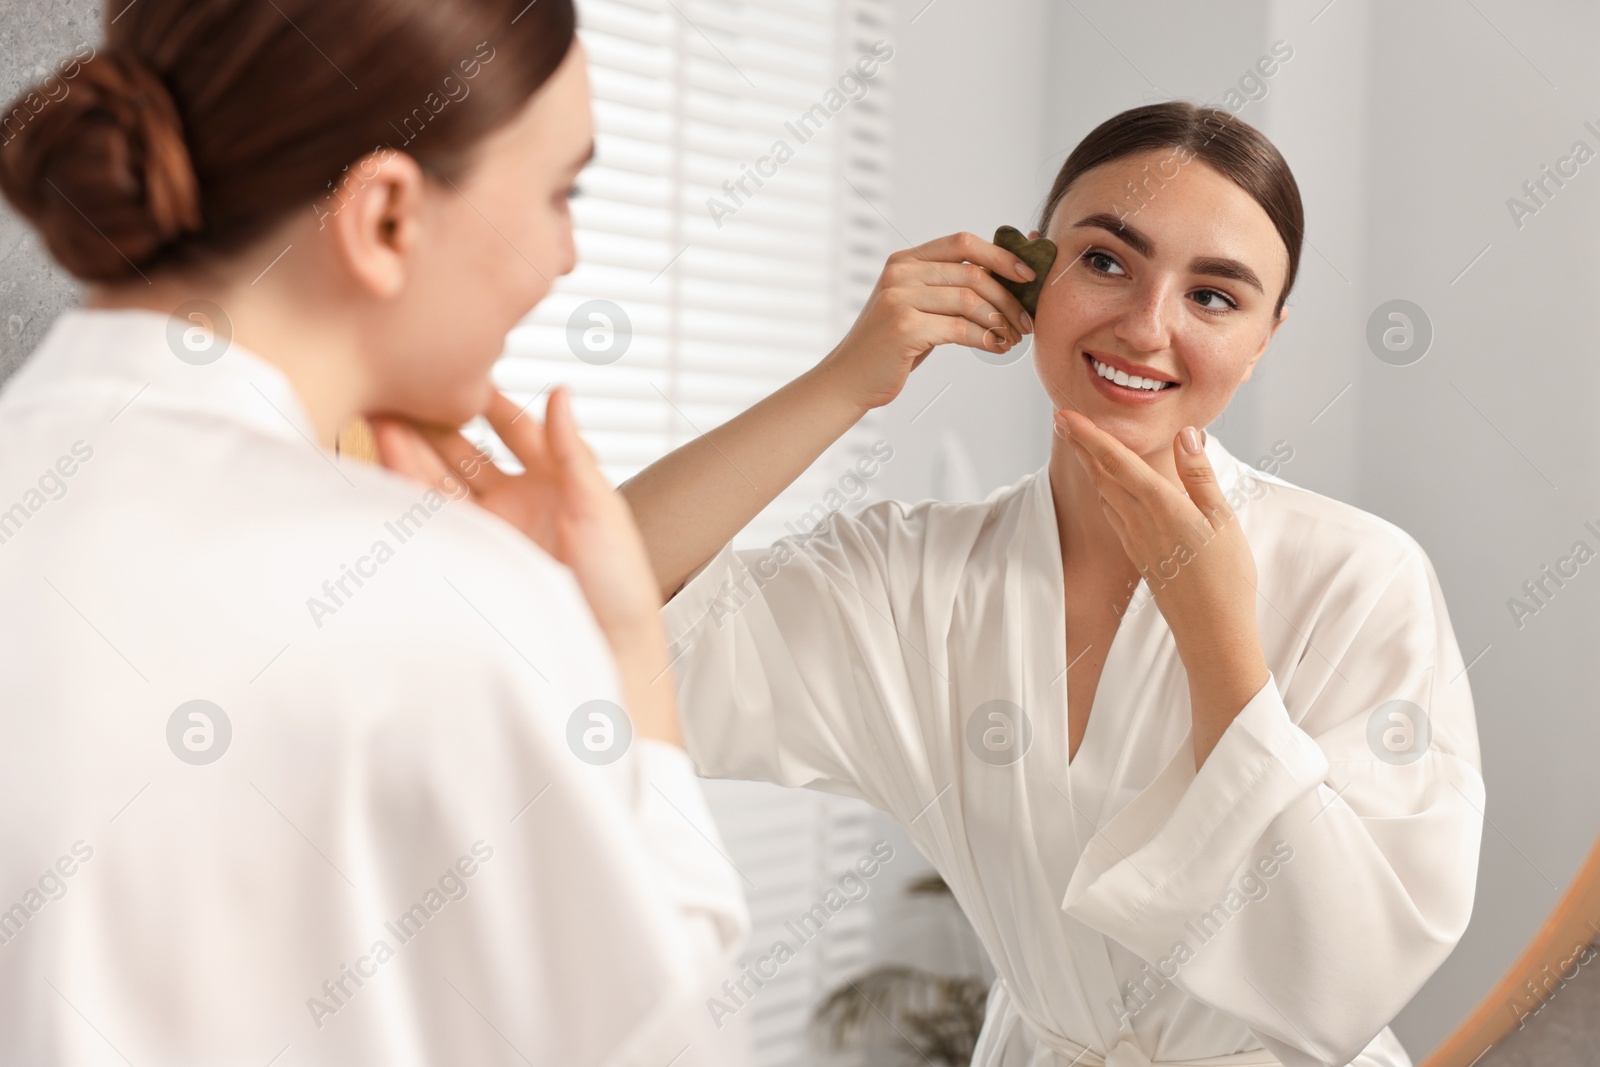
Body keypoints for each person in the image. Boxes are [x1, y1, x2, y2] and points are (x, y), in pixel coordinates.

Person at [389, 101, 1484, 1066]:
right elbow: (582, 628)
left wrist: (1214, 638)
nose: (1146, 325)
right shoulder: (916, 577)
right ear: (1025, 275)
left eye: (1213, 295)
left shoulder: (1360, 577)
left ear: (1262, 342)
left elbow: (1347, 967)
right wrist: (842, 383)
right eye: (1105, 260)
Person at [0, 2, 747, 1065]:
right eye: (559, 192)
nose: (566, 256)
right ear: (388, 216)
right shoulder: (456, 604)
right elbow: (668, 1038)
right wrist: (626, 658)